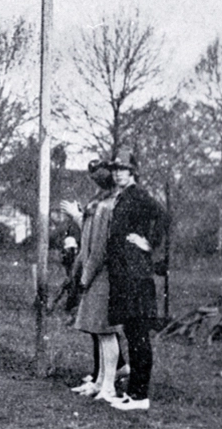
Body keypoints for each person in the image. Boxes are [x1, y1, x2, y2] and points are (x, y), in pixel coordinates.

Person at [103, 149, 169, 411]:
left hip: (137, 275)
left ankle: (140, 396)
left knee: (139, 335)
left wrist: (149, 243)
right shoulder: (123, 196)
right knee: (132, 333)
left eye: (124, 169)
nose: (118, 173)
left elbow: (163, 216)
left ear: (133, 172)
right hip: (124, 275)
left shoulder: (139, 194)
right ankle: (132, 393)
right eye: (115, 169)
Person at [62, 159, 128, 402]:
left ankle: (109, 386)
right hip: (94, 274)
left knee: (105, 331)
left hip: (103, 276)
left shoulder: (108, 206)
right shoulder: (98, 204)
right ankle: (100, 381)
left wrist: (85, 277)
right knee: (98, 332)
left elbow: (100, 248)